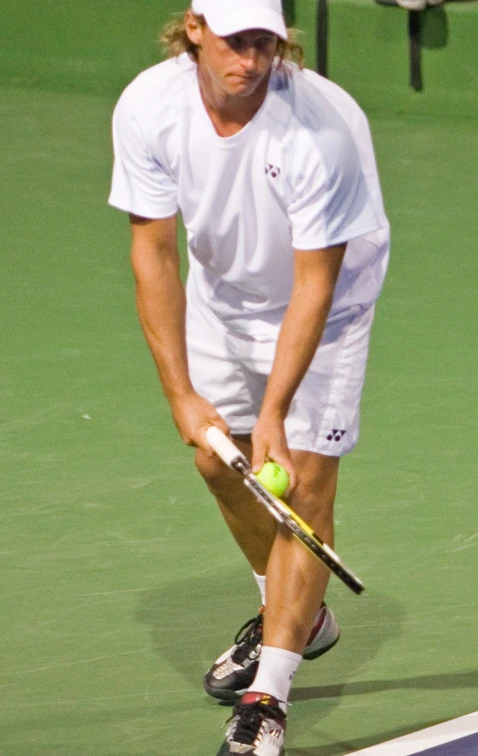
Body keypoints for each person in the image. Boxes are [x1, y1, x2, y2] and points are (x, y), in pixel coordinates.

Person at [109, 1, 389, 753]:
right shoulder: (149, 106)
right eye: (238, 42)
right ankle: (295, 614)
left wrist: (276, 409)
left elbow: (314, 285)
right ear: (194, 28)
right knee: (215, 458)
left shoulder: (321, 132)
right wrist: (180, 394)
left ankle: (271, 693)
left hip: (326, 307)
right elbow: (155, 254)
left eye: (267, 43)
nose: (254, 60)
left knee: (298, 480)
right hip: (224, 293)